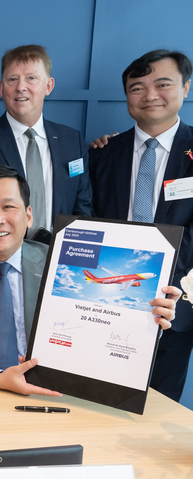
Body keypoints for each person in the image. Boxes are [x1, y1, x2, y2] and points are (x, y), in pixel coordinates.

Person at [0, 166, 179, 393]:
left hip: (61, 393)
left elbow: (101, 322)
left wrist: (149, 321)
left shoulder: (61, 262)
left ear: (28, 216)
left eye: (8, 207)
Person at [89, 49, 193, 402]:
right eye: (137, 87)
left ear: (186, 87)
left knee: (161, 407)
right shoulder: (102, 155)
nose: (150, 95)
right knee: (97, 402)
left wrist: (162, 278)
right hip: (104, 307)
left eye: (162, 84)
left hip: (174, 305)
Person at [0, 45, 93, 245]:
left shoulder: (73, 141)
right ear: (1, 88)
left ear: (48, 86)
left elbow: (83, 208)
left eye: (31, 78)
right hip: (2, 260)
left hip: (60, 258)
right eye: (13, 79)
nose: (21, 87)